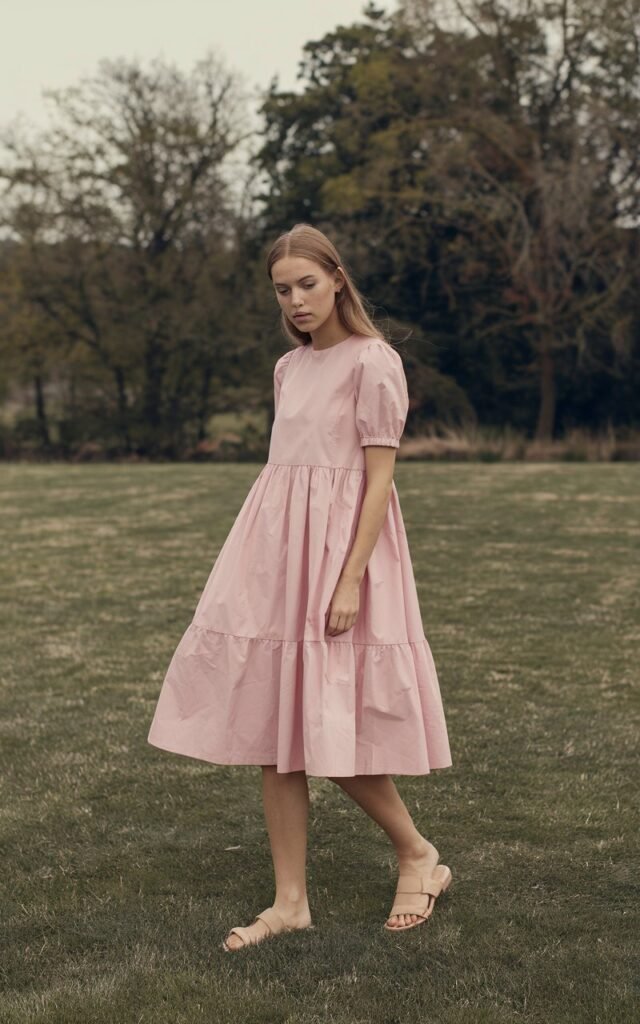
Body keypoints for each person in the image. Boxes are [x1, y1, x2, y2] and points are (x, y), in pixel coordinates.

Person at [147, 223, 453, 952]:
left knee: (326, 728)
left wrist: (349, 580)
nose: (296, 300)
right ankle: (290, 903)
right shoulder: (289, 368)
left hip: (342, 561)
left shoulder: (374, 361)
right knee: (272, 732)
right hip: (276, 555)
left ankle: (417, 853)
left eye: (307, 284)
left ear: (337, 279)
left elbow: (378, 479)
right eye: (283, 289)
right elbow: (287, 476)